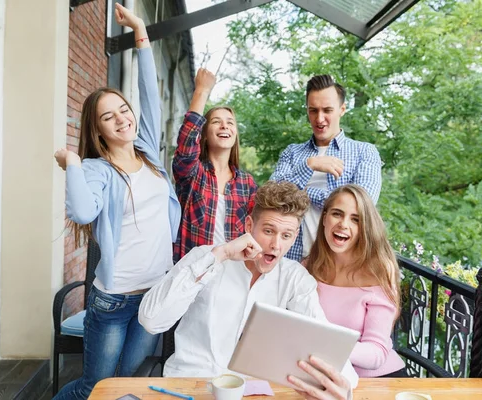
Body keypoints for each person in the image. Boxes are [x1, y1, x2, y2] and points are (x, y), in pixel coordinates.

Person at [52, 4, 180, 399]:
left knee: (124, 385)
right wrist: (73, 163)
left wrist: (140, 31)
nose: (122, 118)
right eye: (109, 117)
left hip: (154, 294)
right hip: (113, 300)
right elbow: (82, 212)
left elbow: (149, 96)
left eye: (123, 110)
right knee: (96, 388)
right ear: (98, 128)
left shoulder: (149, 154)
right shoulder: (95, 169)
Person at [138, 181, 358, 400]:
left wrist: (343, 388)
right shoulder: (206, 257)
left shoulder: (295, 279)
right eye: (268, 231)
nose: (276, 245)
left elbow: (324, 341)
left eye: (286, 235)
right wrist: (219, 256)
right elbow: (151, 320)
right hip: (189, 385)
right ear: (249, 225)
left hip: (251, 393)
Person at [270, 74, 382, 261]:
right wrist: (310, 165)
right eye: (313, 110)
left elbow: (362, 207)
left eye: (327, 110)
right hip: (291, 260)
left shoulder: (365, 152)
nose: (320, 119)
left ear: (342, 109)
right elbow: (271, 196)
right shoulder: (292, 153)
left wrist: (303, 193)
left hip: (340, 265)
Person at [305, 184, 405, 378]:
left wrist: (323, 346)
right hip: (320, 377)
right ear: (324, 217)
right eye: (337, 214)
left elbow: (376, 354)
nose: (343, 224)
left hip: (377, 381)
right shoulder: (308, 267)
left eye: (355, 220)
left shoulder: (377, 272)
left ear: (365, 228)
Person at [172, 68, 257, 262]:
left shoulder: (247, 183)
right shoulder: (193, 173)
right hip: (192, 274)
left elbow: (257, 228)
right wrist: (201, 91)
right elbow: (186, 145)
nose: (225, 126)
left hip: (231, 274)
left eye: (230, 123)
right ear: (204, 134)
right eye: (216, 122)